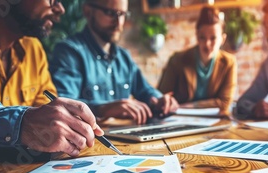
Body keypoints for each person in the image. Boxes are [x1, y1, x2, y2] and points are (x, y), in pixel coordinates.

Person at [0, 0, 103, 157]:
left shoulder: (33, 50)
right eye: (52, 0)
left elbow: (48, 112)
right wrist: (22, 123)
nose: (60, 9)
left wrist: (65, 124)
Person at [49, 0, 178, 125]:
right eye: (111, 13)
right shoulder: (69, 52)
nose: (118, 22)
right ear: (88, 11)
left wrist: (161, 101)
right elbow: (63, 105)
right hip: (88, 142)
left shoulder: (124, 56)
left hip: (126, 138)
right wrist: (104, 109)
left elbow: (145, 90)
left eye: (122, 14)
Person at [157, 6, 237, 115]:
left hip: (213, 121)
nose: (207, 44)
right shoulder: (177, 60)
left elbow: (224, 102)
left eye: (213, 38)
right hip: (178, 120)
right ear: (197, 36)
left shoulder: (229, 63)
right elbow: (162, 96)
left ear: (222, 39)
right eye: (202, 37)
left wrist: (189, 106)